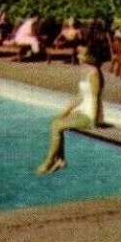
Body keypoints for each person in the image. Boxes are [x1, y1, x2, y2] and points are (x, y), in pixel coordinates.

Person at [35, 46, 104, 174]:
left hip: (90, 114)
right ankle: (60, 159)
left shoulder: (95, 74)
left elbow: (95, 97)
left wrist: (93, 120)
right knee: (55, 121)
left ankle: (50, 160)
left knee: (57, 126)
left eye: (81, 54)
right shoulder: (86, 71)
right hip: (82, 110)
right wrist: (64, 112)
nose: (78, 56)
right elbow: (80, 96)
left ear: (90, 57)